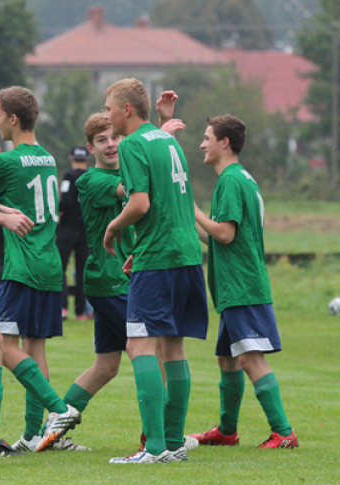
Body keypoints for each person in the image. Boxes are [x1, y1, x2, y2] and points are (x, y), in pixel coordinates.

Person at [59, 94, 189, 453]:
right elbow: (137, 192)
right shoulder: (91, 181)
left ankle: (52, 426)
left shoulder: (130, 161)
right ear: (90, 148)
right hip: (112, 279)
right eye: (102, 140)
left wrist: (158, 135)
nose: (111, 144)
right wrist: (159, 137)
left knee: (105, 366)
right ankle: (159, 436)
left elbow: (152, 179)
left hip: (121, 277)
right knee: (148, 348)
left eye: (113, 137)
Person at [102, 78, 208, 464]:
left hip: (159, 258)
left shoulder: (131, 144)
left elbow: (141, 203)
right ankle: (175, 444)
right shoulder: (167, 140)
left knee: (139, 346)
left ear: (126, 110)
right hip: (186, 255)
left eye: (109, 107)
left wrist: (113, 228)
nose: (106, 115)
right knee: (173, 348)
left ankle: (155, 448)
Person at [0, 85, 82, 453]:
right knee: (35, 349)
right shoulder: (48, 158)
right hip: (51, 265)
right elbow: (17, 190)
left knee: (2, 347)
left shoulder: (8, 161)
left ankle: (58, 410)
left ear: (14, 118)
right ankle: (36, 436)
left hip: (22, 267)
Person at [191, 115, 297, 449]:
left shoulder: (231, 181)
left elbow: (224, 233)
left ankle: (283, 432)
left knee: (251, 358)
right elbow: (219, 237)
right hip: (233, 287)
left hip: (242, 286)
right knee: (227, 359)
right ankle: (227, 430)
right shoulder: (241, 179)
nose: (202, 144)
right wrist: (186, 217)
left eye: (207, 137)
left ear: (225, 143)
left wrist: (193, 210)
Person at [57, 146, 92, 321]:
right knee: (82, 271)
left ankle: (62, 308)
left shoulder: (69, 177)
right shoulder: (91, 177)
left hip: (67, 229)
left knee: (60, 268)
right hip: (86, 229)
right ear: (87, 159)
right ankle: (81, 312)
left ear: (72, 159)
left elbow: (66, 201)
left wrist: (57, 211)